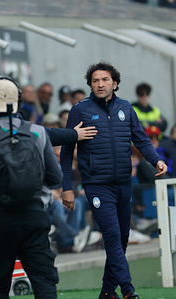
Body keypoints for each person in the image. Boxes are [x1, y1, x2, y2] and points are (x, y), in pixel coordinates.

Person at [60, 62, 168, 299]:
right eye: (95, 80)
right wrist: (66, 187)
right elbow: (68, 151)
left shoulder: (126, 108)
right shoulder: (80, 110)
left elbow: (140, 139)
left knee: (122, 238)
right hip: (97, 185)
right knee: (111, 236)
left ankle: (108, 292)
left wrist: (156, 160)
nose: (100, 84)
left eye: (105, 80)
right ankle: (128, 290)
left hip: (123, 183)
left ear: (115, 83)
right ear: (90, 84)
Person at [0, 77, 61, 298]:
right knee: (44, 281)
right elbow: (55, 178)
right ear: (17, 100)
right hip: (34, 216)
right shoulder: (38, 132)